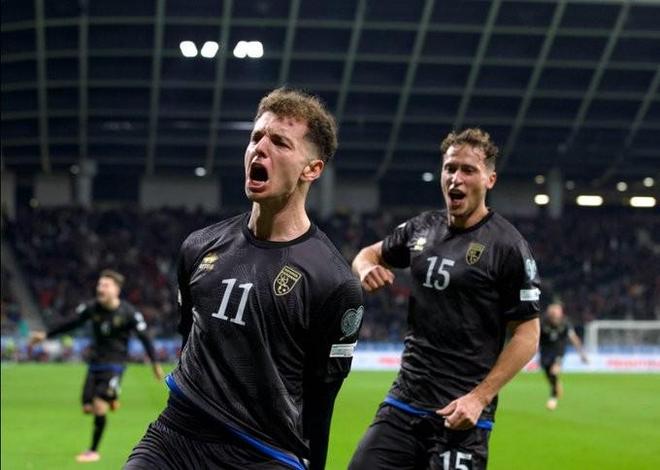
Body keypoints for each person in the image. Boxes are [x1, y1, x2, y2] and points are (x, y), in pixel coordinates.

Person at [125, 88, 364, 470]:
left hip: (262, 453)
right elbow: (188, 337)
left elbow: (322, 399)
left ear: (312, 169)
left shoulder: (333, 282)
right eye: (256, 137)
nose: (260, 148)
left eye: (280, 142)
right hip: (176, 436)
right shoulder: (199, 246)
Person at [349, 128, 541, 470]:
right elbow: (367, 254)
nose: (456, 178)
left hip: (461, 415)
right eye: (450, 168)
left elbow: (527, 334)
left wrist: (479, 398)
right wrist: (365, 269)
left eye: (468, 170)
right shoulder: (423, 228)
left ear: (490, 179)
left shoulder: (507, 245)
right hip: (405, 402)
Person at [30, 269, 163, 463]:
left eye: (105, 285)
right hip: (95, 363)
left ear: (116, 290)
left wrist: (155, 363)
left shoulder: (129, 312)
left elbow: (145, 338)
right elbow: (70, 323)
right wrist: (45, 335)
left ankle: (93, 451)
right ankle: (112, 396)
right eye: (99, 285)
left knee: (99, 407)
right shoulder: (92, 308)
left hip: (115, 364)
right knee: (87, 406)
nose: (100, 288)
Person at [539, 303, 588, 410]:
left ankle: (553, 398)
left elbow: (574, 339)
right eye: (553, 316)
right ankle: (556, 384)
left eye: (557, 316)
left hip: (558, 352)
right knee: (549, 374)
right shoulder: (542, 323)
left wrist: (582, 354)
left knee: (554, 372)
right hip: (545, 352)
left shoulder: (565, 324)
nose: (555, 318)